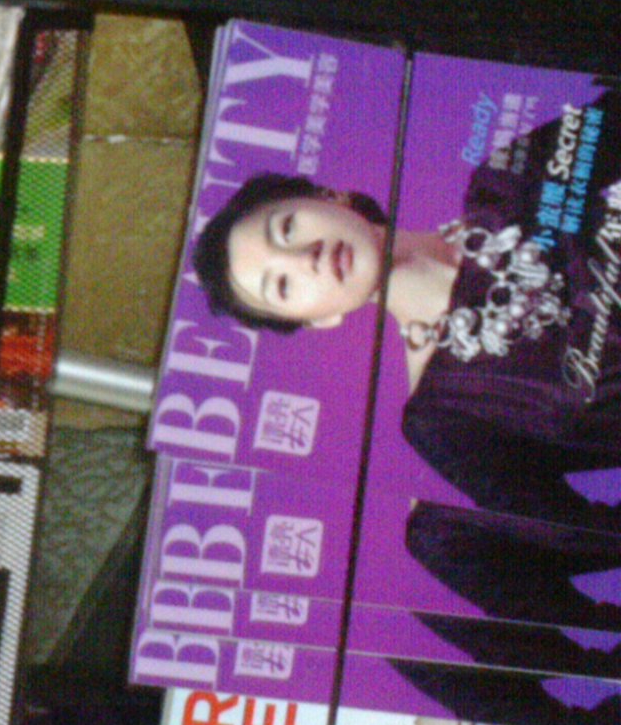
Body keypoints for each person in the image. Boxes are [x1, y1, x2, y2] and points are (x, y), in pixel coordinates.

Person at [191, 153, 621, 529]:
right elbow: (580, 530)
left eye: (286, 229)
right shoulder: (442, 419)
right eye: (282, 285)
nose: (307, 258)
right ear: (318, 320)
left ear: (331, 197)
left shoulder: (505, 181)